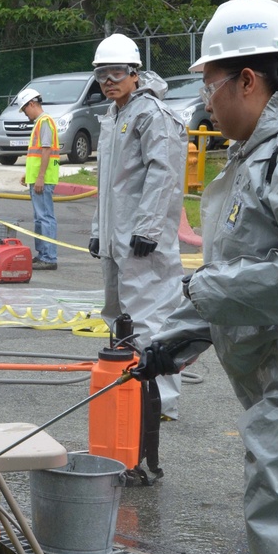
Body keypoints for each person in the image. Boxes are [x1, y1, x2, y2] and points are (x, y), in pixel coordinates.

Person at [134, 0, 278, 554]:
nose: (206, 100)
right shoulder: (256, 151)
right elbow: (237, 271)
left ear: (249, 80)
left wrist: (200, 297)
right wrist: (177, 338)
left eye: (212, 83)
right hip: (267, 368)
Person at [89, 35, 187, 418]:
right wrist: (99, 228)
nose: (108, 80)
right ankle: (129, 385)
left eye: (116, 72)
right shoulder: (114, 115)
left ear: (135, 74)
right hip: (117, 238)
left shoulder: (152, 114)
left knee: (150, 315)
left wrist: (149, 228)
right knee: (117, 313)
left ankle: (160, 400)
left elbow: (164, 173)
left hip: (143, 238)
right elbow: (107, 182)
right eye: (101, 73)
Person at [16, 85, 60, 269]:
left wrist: (40, 177)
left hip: (43, 179)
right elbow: (38, 153)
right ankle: (43, 254)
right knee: (40, 218)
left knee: (45, 218)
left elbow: (46, 150)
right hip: (38, 178)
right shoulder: (41, 123)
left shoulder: (44, 122)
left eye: (24, 109)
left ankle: (48, 257)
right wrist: (30, 174)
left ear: (31, 104)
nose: (25, 113)